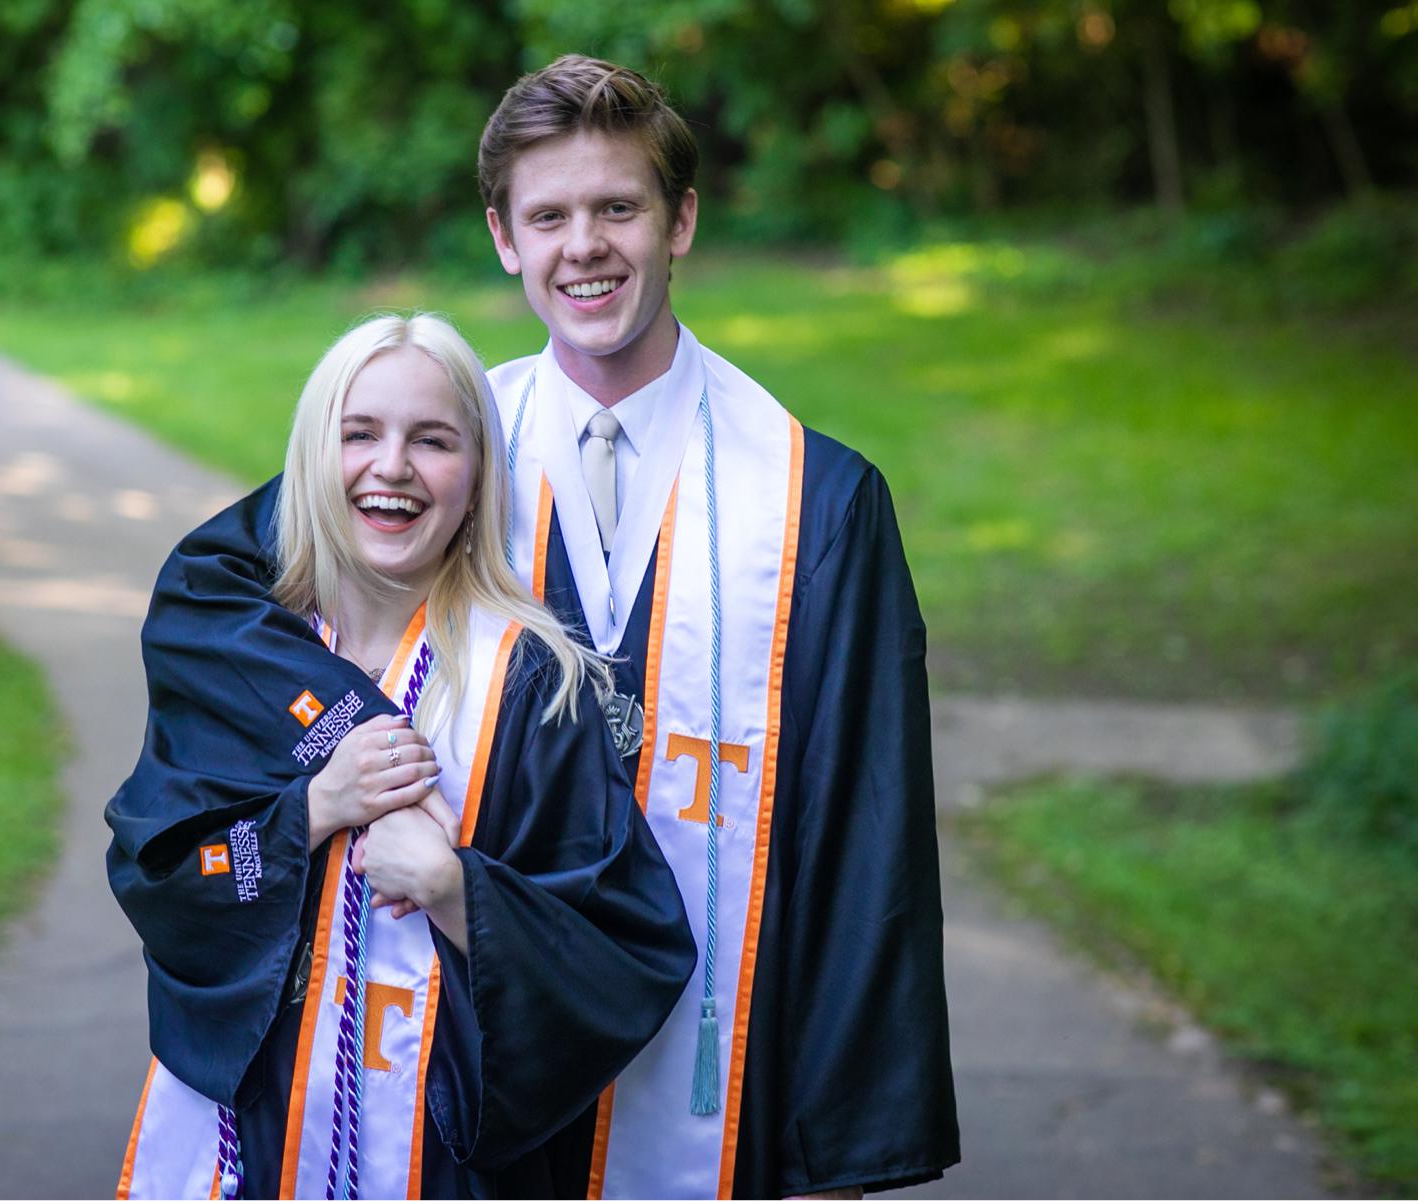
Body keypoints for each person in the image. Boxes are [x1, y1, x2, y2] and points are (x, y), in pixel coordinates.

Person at [115, 56, 960, 1199]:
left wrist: (841, 1155)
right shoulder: (445, 441)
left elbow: (864, 843)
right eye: (549, 215)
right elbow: (219, 593)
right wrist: (350, 758)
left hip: (725, 1067)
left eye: (619, 207)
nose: (586, 247)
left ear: (682, 221)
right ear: (505, 238)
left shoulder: (817, 503)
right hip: (462, 1079)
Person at [106, 314, 696, 1199]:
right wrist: (308, 813)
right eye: (360, 434)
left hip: (442, 1157)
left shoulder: (535, 687)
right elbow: (158, 880)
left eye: (433, 440)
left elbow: (626, 954)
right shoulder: (247, 675)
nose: (392, 467)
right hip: (244, 1145)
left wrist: (462, 893)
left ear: (477, 478)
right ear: (313, 460)